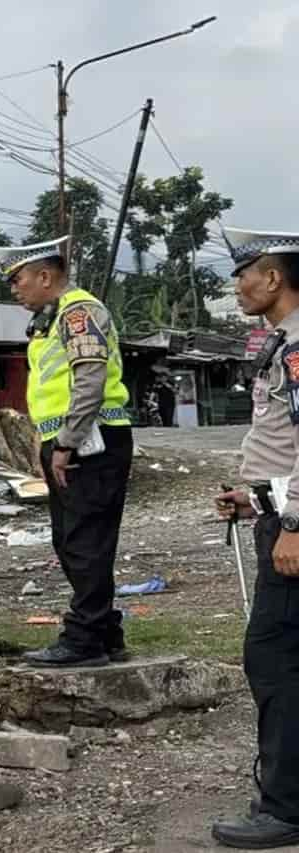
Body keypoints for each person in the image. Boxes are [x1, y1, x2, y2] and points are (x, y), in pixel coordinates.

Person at [0, 236, 132, 667]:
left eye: (18, 280)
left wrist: (67, 443)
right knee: (71, 538)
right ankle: (104, 629)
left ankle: (85, 639)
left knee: (85, 541)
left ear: (44, 275)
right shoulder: (53, 318)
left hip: (90, 442)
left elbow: (89, 381)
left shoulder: (78, 312)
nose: (14, 289)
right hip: (73, 442)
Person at [211, 228, 299, 849]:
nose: (238, 285)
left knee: (273, 657)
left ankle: (287, 808)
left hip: (295, 529)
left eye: (245, 273)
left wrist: (293, 523)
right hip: (282, 512)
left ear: (272, 278)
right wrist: (256, 495)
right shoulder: (283, 345)